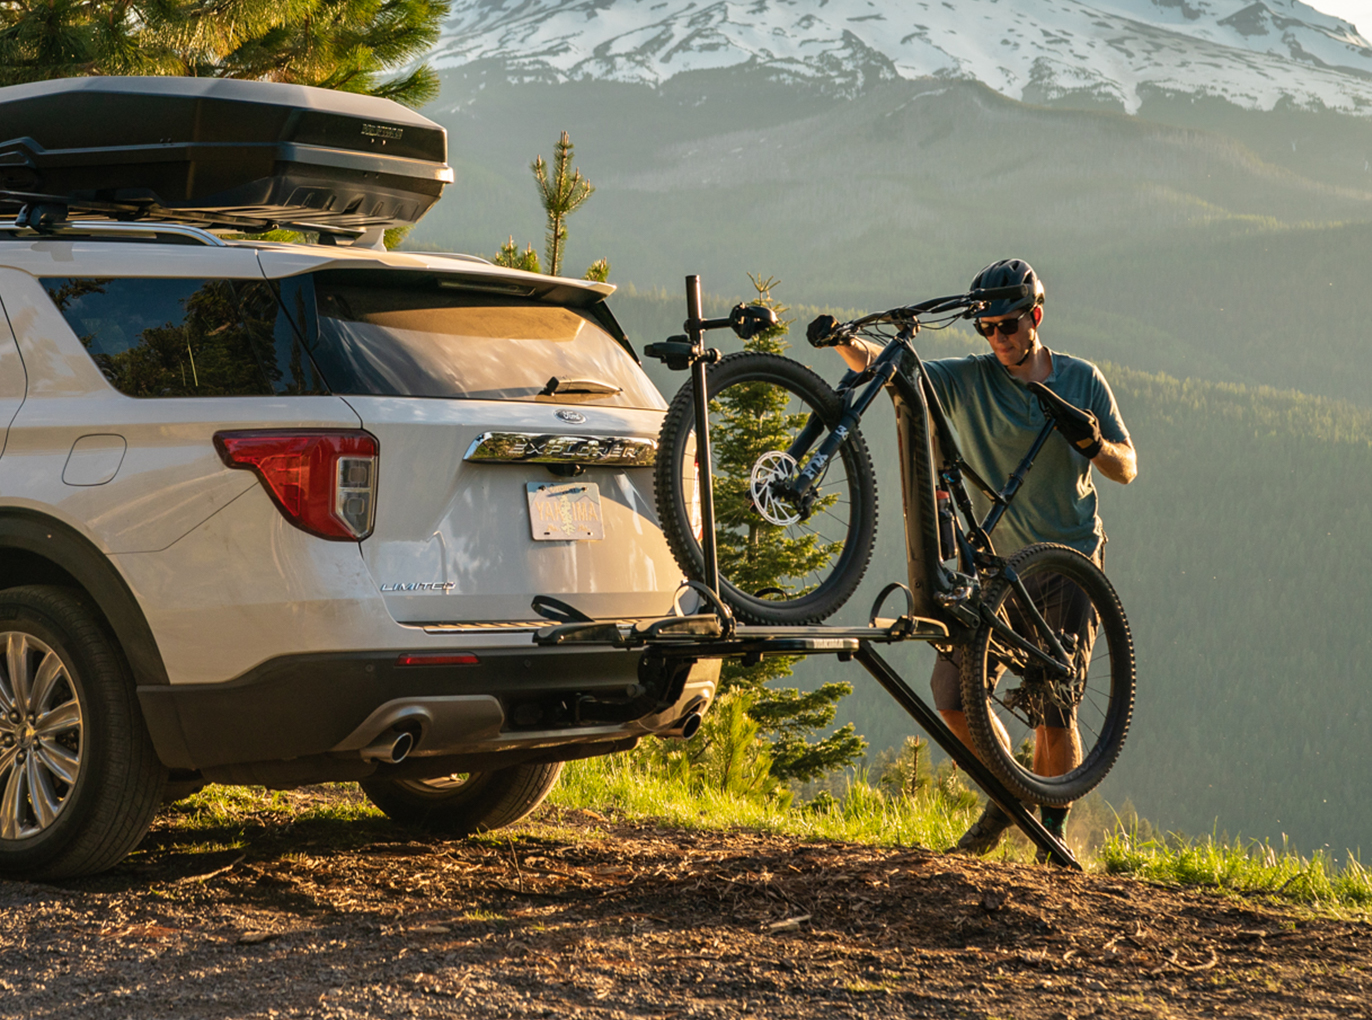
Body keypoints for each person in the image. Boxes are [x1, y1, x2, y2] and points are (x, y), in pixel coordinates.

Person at [812, 258, 1137, 855]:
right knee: (950, 694)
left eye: (1008, 326)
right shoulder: (970, 377)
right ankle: (1007, 796)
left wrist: (1092, 441)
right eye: (986, 329)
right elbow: (896, 374)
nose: (997, 338)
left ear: (1035, 317)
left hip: (1066, 560)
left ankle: (1051, 832)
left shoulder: (1081, 378)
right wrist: (844, 343)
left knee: (1053, 704)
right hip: (993, 569)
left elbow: (1127, 467)